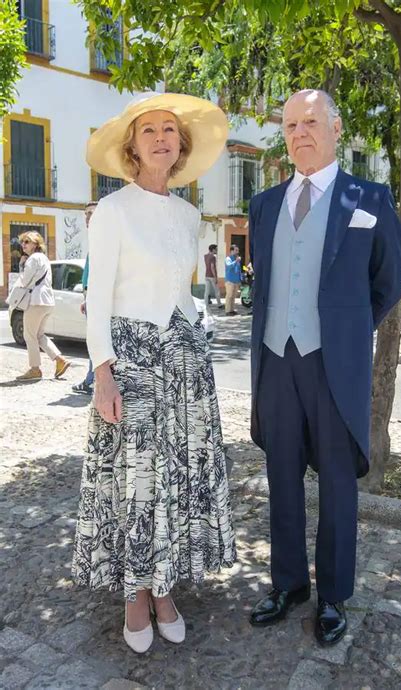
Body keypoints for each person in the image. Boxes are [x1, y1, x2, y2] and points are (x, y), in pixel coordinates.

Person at [71, 92, 236, 654]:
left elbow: (183, 292)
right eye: (150, 131)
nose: (162, 137)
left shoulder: (191, 216)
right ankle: (134, 595)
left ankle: (164, 588)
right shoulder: (112, 212)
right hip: (133, 360)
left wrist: (198, 333)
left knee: (174, 482)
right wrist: (103, 374)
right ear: (133, 147)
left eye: (171, 129)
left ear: (181, 145)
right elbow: (97, 297)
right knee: (136, 483)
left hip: (185, 359)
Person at [248, 89, 401, 646]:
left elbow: (387, 284)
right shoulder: (264, 205)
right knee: (281, 477)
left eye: (310, 121)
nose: (299, 133)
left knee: (338, 483)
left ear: (336, 127)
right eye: (290, 125)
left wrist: (346, 328)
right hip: (275, 360)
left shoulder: (371, 198)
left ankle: (334, 594)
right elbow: (265, 284)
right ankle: (289, 583)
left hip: (333, 364)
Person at [14, 231, 71, 381]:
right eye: (22, 242)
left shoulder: (32, 259)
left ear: (35, 244)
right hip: (47, 302)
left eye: (27, 242)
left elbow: (24, 281)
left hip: (36, 301)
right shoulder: (44, 258)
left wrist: (21, 265)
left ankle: (35, 369)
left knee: (29, 335)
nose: (23, 245)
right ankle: (60, 360)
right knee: (38, 335)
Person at [72, 201, 98, 395]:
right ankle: (91, 379)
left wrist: (91, 297)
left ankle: (92, 381)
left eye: (91, 213)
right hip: (91, 297)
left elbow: (100, 272)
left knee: (96, 342)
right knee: (94, 341)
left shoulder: (103, 238)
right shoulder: (96, 237)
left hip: (97, 298)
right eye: (86, 214)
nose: (87, 218)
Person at [204, 243, 223, 308]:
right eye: (216, 249)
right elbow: (212, 267)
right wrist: (215, 277)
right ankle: (219, 304)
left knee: (207, 291)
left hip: (206, 275)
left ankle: (206, 305)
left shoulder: (205, 256)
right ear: (213, 250)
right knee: (217, 290)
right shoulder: (213, 257)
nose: (217, 251)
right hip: (212, 276)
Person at [225, 244, 241, 315]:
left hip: (236, 281)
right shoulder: (228, 259)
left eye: (238, 250)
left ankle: (232, 310)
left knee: (233, 297)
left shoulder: (237, 259)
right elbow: (229, 267)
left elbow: (238, 270)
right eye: (236, 250)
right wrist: (236, 261)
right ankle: (228, 311)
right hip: (230, 281)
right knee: (229, 296)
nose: (237, 252)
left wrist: (240, 279)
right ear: (231, 251)